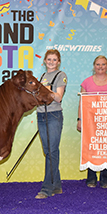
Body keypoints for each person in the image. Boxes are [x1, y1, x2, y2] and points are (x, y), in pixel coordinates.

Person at [77, 55, 107, 189]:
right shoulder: (86, 82)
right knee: (92, 148)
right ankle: (91, 178)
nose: (100, 67)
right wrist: (79, 119)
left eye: (103, 64)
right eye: (98, 64)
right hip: (91, 122)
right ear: (94, 66)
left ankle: (106, 179)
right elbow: (82, 102)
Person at [35, 50, 67, 199]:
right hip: (41, 114)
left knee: (52, 151)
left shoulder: (61, 75)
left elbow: (59, 97)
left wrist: (47, 91)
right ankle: (57, 186)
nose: (51, 62)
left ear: (58, 61)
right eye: (49, 59)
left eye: (54, 60)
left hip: (54, 115)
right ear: (45, 61)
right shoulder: (41, 77)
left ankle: (46, 188)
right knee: (49, 152)